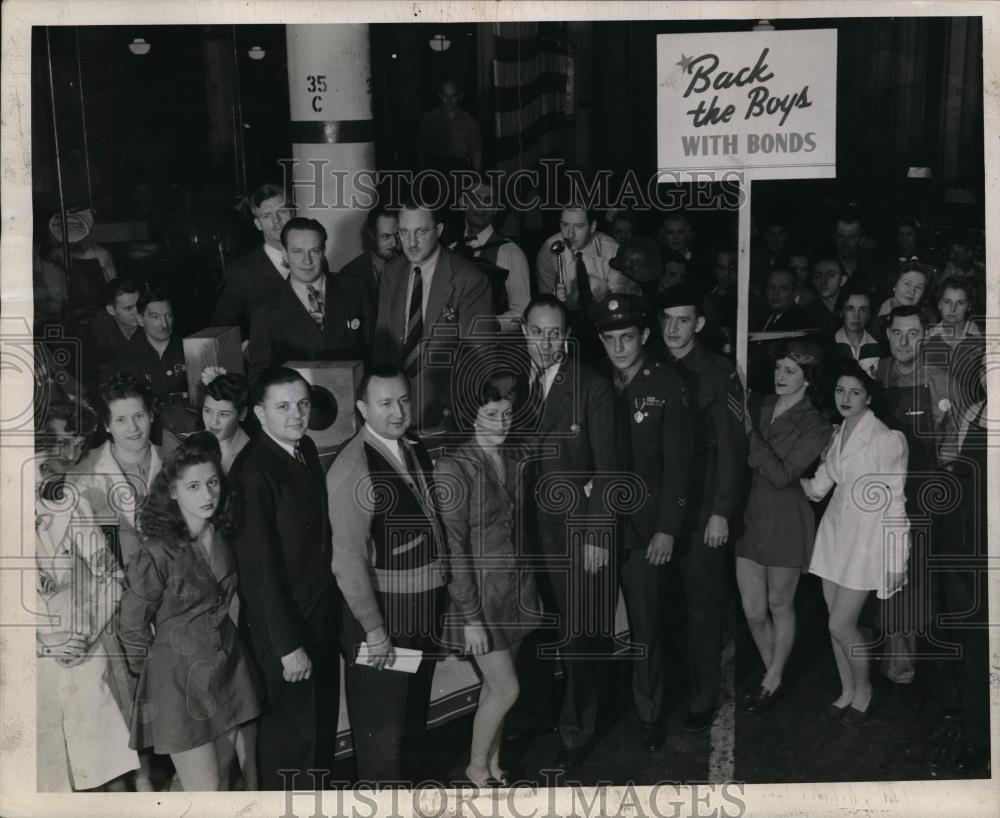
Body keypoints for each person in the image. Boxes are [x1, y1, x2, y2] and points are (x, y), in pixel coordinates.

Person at [117, 433, 260, 791]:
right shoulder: (156, 553)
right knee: (206, 793)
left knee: (229, 776)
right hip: (179, 684)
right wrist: (157, 672)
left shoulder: (223, 533)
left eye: (212, 483)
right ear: (174, 491)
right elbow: (131, 626)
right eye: (194, 486)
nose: (207, 495)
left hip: (227, 671)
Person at [326, 365, 447, 782]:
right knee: (384, 732)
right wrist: (375, 631)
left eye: (404, 400)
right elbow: (346, 561)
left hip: (419, 614)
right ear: (362, 408)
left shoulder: (413, 447)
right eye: (385, 403)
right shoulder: (352, 467)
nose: (398, 411)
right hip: (383, 621)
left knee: (411, 719)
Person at [516, 294, 622, 772]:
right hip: (529, 532)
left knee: (581, 633)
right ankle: (540, 712)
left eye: (554, 332)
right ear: (524, 334)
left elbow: (610, 469)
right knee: (540, 625)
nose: (545, 341)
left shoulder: (592, 386)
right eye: (537, 331)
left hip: (577, 530)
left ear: (567, 337)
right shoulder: (517, 384)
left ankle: (579, 726)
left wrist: (599, 535)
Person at [229, 367, 339, 789]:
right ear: (258, 413)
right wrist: (288, 646)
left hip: (317, 616)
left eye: (303, 403)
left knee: (320, 731)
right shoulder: (253, 473)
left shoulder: (304, 448)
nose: (297, 414)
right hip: (283, 634)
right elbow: (258, 574)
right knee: (290, 745)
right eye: (283, 406)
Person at [592, 294, 693, 750]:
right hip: (599, 527)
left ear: (645, 337)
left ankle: (650, 714)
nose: (619, 347)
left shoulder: (667, 385)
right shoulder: (595, 385)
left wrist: (668, 527)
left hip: (646, 530)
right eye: (610, 339)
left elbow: (679, 464)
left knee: (646, 626)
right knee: (591, 624)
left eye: (627, 337)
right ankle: (596, 714)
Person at [434, 373, 542, 786]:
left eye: (507, 414)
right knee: (507, 689)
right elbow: (454, 549)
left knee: (496, 690)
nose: (502, 423)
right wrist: (471, 618)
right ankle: (476, 767)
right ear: (470, 419)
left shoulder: (511, 459)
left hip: (514, 592)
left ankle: (494, 765)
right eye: (491, 414)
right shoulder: (453, 467)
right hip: (478, 600)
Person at [656, 283, 745, 732]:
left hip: (703, 503)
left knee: (703, 607)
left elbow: (731, 447)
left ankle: (703, 693)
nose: (674, 328)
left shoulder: (718, 371)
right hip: (662, 509)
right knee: (666, 604)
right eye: (667, 319)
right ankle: (674, 684)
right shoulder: (651, 364)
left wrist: (720, 512)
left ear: (700, 324)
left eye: (684, 320)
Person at [802, 360, 909, 726]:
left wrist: (897, 559)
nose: (845, 398)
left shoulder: (886, 439)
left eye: (855, 392)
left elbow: (896, 502)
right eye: (839, 390)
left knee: (840, 624)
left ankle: (864, 689)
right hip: (834, 533)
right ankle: (846, 690)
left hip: (866, 539)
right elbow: (820, 484)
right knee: (835, 622)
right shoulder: (838, 431)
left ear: (869, 397)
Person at [35, 419, 140, 792]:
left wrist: (84, 633)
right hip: (27, 671)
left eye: (78, 448)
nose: (69, 457)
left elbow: (112, 577)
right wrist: (43, 643)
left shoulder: (71, 505)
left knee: (105, 776)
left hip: (81, 656)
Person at [735, 341, 833, 713]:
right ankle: (771, 666)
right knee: (753, 609)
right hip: (750, 514)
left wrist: (747, 433)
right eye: (779, 368)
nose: (781, 375)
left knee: (780, 603)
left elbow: (782, 474)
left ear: (808, 379)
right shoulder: (759, 404)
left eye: (791, 371)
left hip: (786, 517)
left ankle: (772, 678)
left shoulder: (816, 424)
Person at [875, 305, 957, 686]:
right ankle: (891, 658)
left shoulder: (940, 381)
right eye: (897, 333)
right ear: (888, 334)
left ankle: (902, 667)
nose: (904, 341)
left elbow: (954, 444)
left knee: (911, 579)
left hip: (921, 492)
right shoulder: (877, 375)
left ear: (924, 336)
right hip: (880, 493)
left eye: (912, 333)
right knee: (885, 574)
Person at [373, 198, 495, 431]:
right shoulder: (392, 272)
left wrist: (452, 408)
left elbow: (480, 357)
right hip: (395, 411)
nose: (411, 242)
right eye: (404, 232)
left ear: (438, 230)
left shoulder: (469, 279)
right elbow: (382, 343)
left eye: (421, 232)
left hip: (445, 414)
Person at [248, 217, 374, 382]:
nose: (307, 261)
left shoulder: (356, 289)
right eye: (297, 251)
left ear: (323, 251)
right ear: (285, 253)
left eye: (314, 251)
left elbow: (374, 352)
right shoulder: (265, 307)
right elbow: (260, 372)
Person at [535, 204, 640, 361]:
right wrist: (555, 301)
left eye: (579, 226)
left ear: (593, 226)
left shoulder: (612, 250)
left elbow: (617, 303)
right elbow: (545, 306)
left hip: (606, 321)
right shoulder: (549, 250)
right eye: (565, 225)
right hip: (566, 325)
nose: (570, 234)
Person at [211, 183, 296, 340]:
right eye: (267, 215)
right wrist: (246, 349)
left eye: (282, 211)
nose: (276, 220)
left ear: (292, 214)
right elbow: (220, 326)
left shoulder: (312, 258)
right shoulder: (242, 271)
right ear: (258, 224)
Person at [450, 182, 531, 331]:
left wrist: (491, 325)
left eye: (488, 201)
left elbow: (523, 312)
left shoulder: (511, 254)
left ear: (495, 208)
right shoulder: (451, 251)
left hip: (493, 347)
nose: (481, 206)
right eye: (475, 199)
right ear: (462, 203)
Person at [110, 286, 189, 406]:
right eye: (155, 317)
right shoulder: (126, 356)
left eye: (169, 315)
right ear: (140, 320)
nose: (164, 324)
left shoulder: (189, 349)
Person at [417, 79, 483, 173]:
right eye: (445, 96)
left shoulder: (470, 121)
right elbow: (421, 150)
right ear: (440, 96)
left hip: (460, 171)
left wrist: (477, 177)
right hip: (434, 171)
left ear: (460, 96)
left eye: (453, 97)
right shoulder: (428, 119)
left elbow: (476, 152)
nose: (449, 101)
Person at [338, 205, 400, 304]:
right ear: (372, 235)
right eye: (385, 237)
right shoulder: (349, 273)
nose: (394, 243)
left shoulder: (410, 266)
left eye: (397, 235)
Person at [84, 278, 140, 389]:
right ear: (111, 310)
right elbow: (94, 376)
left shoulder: (152, 317)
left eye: (139, 305)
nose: (137, 312)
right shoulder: (100, 328)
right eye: (129, 308)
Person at [200, 368, 251, 473]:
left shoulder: (249, 456)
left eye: (223, 414)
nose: (213, 422)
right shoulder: (193, 444)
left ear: (242, 413)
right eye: (207, 411)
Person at [831, 291, 881, 378]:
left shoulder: (881, 346)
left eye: (863, 310)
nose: (856, 316)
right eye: (850, 309)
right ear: (841, 313)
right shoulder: (826, 344)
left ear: (869, 315)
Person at [802, 258, 847, 332]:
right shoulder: (806, 313)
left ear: (843, 280)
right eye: (818, 276)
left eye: (831, 275)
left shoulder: (854, 307)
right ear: (812, 281)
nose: (823, 281)